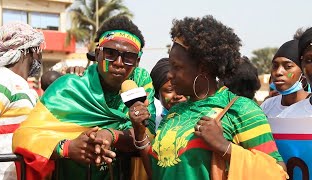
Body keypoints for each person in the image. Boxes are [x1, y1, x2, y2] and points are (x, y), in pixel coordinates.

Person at [129, 15, 287, 180]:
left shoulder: (241, 109)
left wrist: (223, 146)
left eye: (177, 67)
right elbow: (158, 173)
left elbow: (277, 173)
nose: (170, 74)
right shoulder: (175, 113)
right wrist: (140, 134)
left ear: (202, 68)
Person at [12, 15, 156, 179]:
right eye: (110, 53)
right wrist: (67, 148)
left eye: (128, 57)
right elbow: (24, 136)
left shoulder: (140, 84)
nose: (119, 62)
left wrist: (111, 135)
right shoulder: (67, 87)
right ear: (97, 54)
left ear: (137, 61)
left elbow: (147, 133)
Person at [0, 22, 44, 180]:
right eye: (39, 50)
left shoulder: (28, 90)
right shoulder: (0, 79)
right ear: (30, 51)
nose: (41, 57)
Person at [260, 39, 309, 118]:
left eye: (288, 67)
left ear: (303, 72)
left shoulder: (309, 107)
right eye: (275, 66)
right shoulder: (267, 107)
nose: (278, 72)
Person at [278, 27, 312, 118]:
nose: (279, 73)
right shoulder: (288, 117)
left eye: (288, 66)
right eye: (309, 60)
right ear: (302, 66)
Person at [150, 58, 187, 130]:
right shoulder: (152, 125)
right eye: (170, 90)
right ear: (158, 95)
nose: (178, 95)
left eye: (182, 87)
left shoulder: (202, 119)